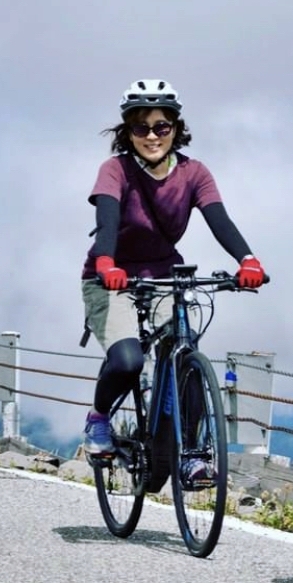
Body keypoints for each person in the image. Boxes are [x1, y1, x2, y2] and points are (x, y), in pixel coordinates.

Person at [81, 80, 266, 485]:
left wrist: (247, 260)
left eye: (161, 127)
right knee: (128, 361)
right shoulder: (116, 170)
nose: (151, 136)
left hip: (165, 272)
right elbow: (107, 220)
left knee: (187, 354)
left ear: (176, 128)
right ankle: (98, 418)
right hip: (111, 277)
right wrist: (107, 263)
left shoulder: (194, 172)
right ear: (127, 132)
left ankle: (192, 456)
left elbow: (219, 219)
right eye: (141, 127)